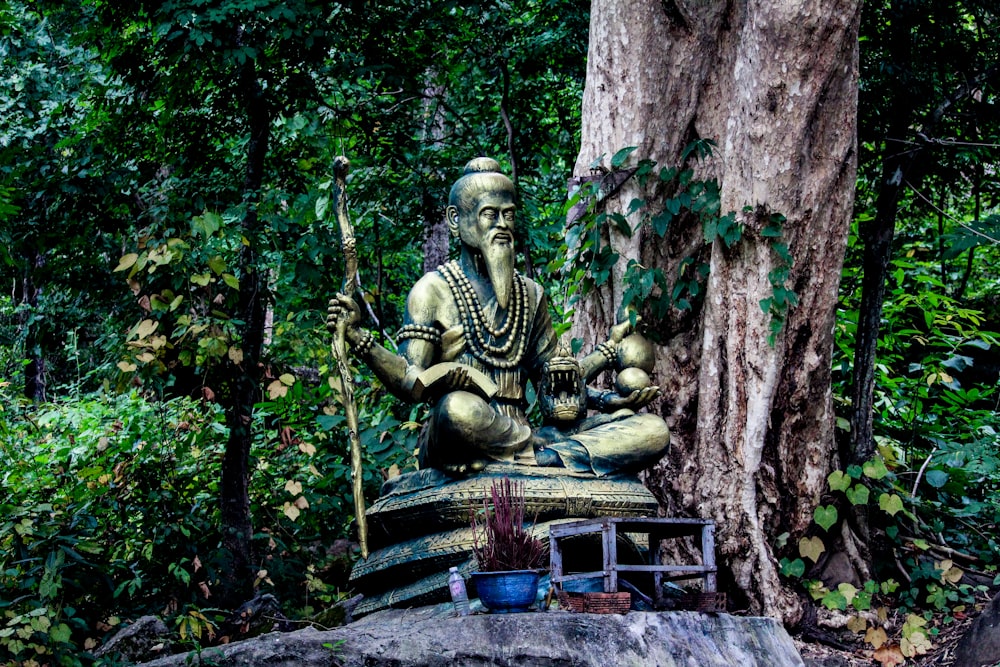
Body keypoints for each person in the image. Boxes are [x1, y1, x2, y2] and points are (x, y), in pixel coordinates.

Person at [327, 157, 669, 476]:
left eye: (509, 215)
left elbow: (553, 382)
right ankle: (545, 460)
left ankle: (539, 459)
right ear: (455, 220)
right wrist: (359, 338)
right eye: (490, 214)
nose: (503, 225)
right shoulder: (431, 291)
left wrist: (608, 399)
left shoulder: (531, 294)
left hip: (529, 434)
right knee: (455, 409)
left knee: (651, 431)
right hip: (464, 430)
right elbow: (408, 378)